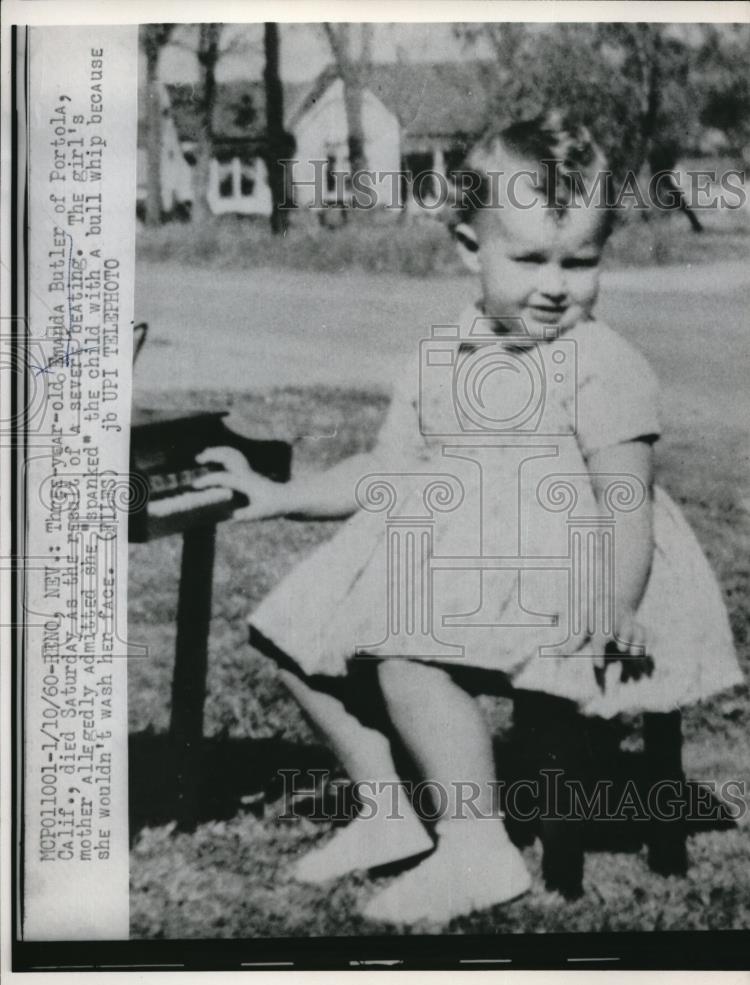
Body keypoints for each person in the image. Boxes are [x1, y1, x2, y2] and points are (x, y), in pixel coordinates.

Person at [196, 112, 743, 925]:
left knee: (407, 648)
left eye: (581, 261)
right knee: (292, 633)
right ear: (467, 247)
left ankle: (476, 844)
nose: (556, 286)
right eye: (529, 259)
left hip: (583, 571)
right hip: (471, 555)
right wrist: (281, 495)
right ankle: (388, 809)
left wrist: (614, 603)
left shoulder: (600, 363)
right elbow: (389, 471)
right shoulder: (443, 353)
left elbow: (624, 501)